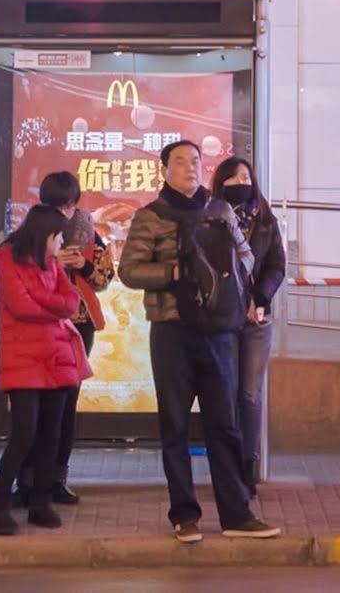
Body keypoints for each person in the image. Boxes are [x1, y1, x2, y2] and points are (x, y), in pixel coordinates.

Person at [118, 139, 279, 543]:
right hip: (172, 332)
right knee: (174, 425)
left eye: (195, 160)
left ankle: (237, 515)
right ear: (164, 170)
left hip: (219, 333)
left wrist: (224, 279)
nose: (190, 167)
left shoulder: (220, 210)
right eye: (180, 161)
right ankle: (184, 516)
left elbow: (244, 258)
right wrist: (174, 273)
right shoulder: (150, 217)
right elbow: (130, 271)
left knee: (224, 426)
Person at [0, 204, 92, 536]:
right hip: (23, 360)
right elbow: (20, 306)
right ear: (44, 234)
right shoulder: (6, 261)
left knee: (50, 434)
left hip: (56, 356)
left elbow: (71, 303)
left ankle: (41, 503)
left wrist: (47, 303)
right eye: (58, 237)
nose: (60, 244)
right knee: (24, 434)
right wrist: (52, 305)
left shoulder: (52, 264)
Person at [23, 169, 107, 507]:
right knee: (33, 405)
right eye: (57, 207)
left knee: (66, 403)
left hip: (77, 326)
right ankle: (27, 480)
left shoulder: (89, 234)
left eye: (69, 206)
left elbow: (105, 278)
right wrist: (52, 260)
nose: (64, 214)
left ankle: (57, 477)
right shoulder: (30, 234)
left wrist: (82, 267)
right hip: (39, 324)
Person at [213, 155, 287, 493]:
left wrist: (261, 298)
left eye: (244, 176)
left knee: (250, 394)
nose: (240, 182)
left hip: (257, 318)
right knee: (226, 393)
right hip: (224, 319)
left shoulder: (265, 218)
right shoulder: (212, 215)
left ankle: (248, 465)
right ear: (220, 183)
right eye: (231, 177)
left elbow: (276, 266)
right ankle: (226, 468)